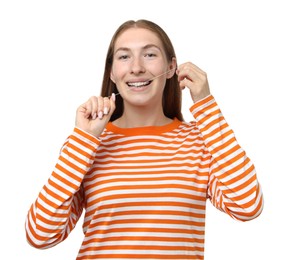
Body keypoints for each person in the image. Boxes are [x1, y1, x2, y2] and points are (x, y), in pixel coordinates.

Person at [25, 19, 263, 260]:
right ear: (112, 72)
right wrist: (83, 139)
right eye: (124, 57)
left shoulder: (201, 141)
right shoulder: (87, 144)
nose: (136, 67)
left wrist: (206, 105)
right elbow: (40, 235)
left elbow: (247, 205)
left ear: (171, 67)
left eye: (149, 54)